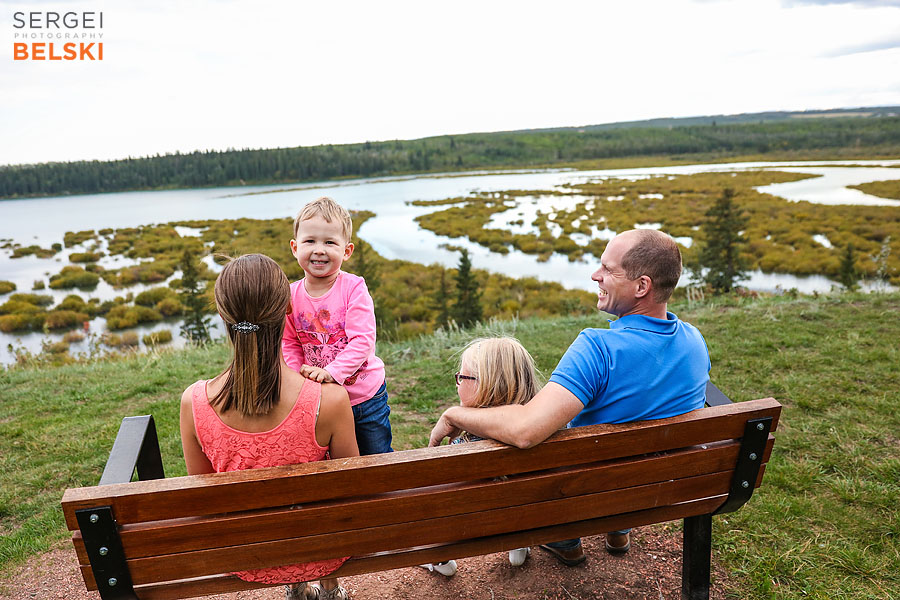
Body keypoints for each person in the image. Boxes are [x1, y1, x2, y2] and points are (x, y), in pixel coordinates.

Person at [429, 229, 710, 566]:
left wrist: (453, 415)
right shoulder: (694, 341)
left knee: (543, 446)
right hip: (664, 490)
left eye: (608, 269)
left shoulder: (598, 350)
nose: (596, 275)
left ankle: (564, 537)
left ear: (642, 287)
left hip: (588, 494)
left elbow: (525, 431)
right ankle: (619, 529)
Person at [180, 253, 359, 600]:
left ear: (223, 315)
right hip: (325, 552)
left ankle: (296, 588)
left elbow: (206, 499)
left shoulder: (195, 403)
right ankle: (330, 588)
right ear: (288, 310)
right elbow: (349, 492)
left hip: (248, 558)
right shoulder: (330, 401)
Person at [422, 337, 541, 577]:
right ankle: (518, 541)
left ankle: (440, 559)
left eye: (462, 377)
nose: (457, 383)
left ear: (485, 385)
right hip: (526, 519)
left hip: (468, 529)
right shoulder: (548, 433)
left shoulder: (460, 450)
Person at [283, 196, 392, 456]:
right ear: (295, 247)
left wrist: (332, 372)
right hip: (320, 398)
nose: (319, 249)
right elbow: (289, 342)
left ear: (346, 251)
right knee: (333, 461)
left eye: (330, 242)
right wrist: (301, 376)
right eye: (310, 241)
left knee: (375, 456)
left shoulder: (353, 288)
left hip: (363, 396)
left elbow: (362, 341)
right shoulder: (290, 294)